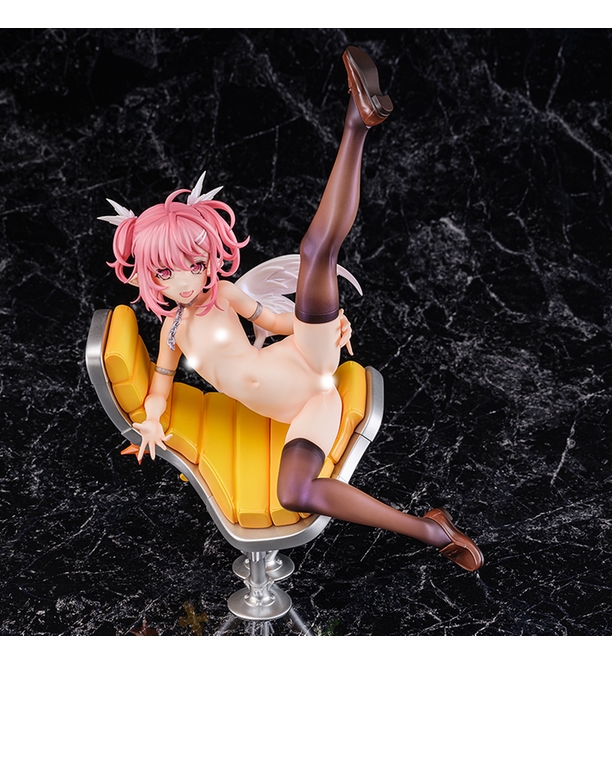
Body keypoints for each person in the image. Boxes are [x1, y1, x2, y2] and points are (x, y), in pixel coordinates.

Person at [101, 46, 483, 572]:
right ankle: (432, 529)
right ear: (149, 275)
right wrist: (148, 422)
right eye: (166, 272)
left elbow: (276, 321)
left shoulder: (225, 294)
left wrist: (324, 325)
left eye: (194, 264)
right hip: (304, 409)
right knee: (297, 492)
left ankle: (357, 123)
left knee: (316, 253)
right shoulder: (171, 329)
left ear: (209, 258)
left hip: (304, 360)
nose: (185, 281)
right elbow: (162, 386)